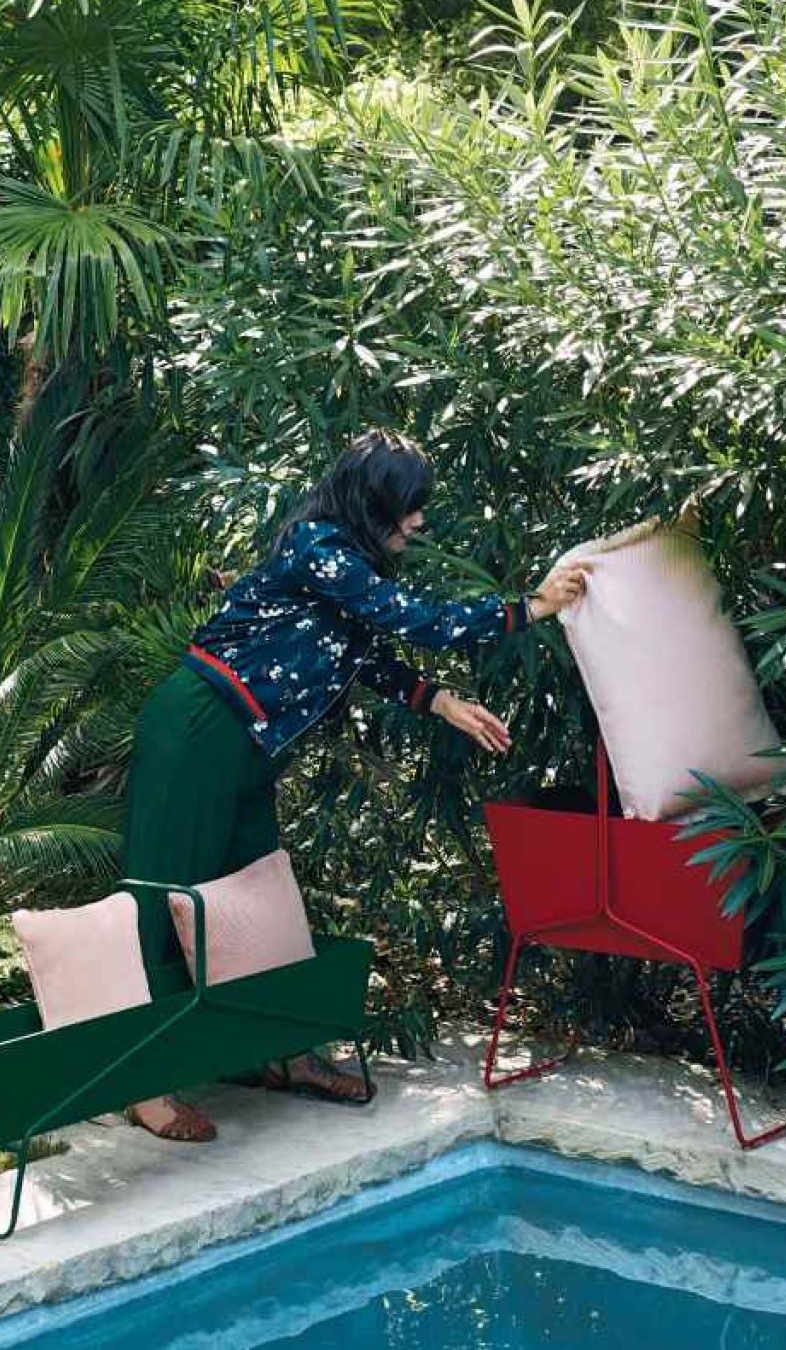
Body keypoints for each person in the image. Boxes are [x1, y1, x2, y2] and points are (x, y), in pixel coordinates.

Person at [121, 428, 588, 1141]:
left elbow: (364, 651)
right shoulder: (317, 548)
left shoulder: (341, 565)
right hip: (199, 729)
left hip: (246, 744)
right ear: (373, 505)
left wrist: (439, 703)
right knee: (166, 894)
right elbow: (420, 625)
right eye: (409, 506)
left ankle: (275, 1054)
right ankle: (143, 1084)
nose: (419, 521)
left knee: (252, 904)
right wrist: (532, 607)